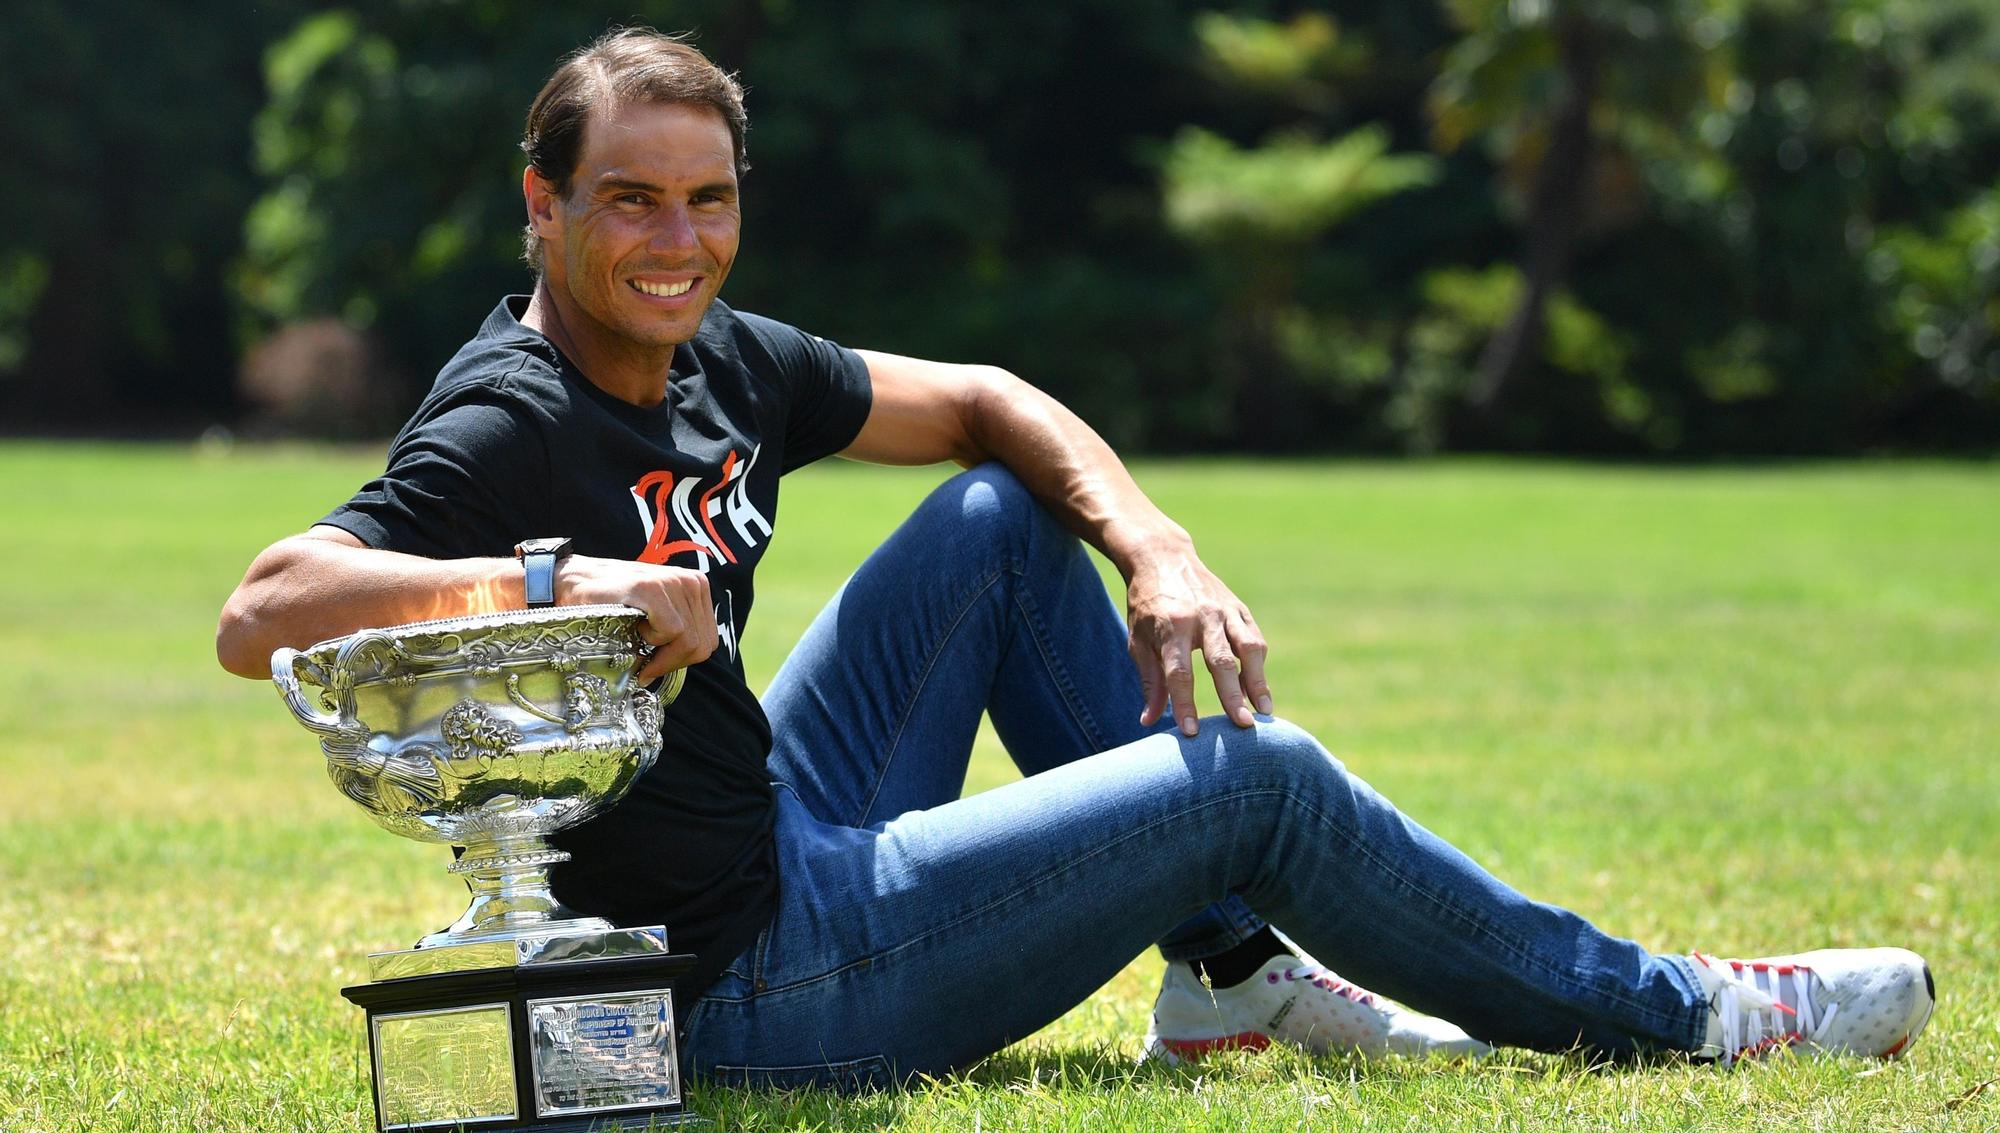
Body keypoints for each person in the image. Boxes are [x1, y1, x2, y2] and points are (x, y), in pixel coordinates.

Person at [217, 29, 1935, 1089]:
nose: (679, 241)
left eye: (708, 198)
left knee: (996, 515)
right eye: (631, 202)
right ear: (542, 202)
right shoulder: (505, 417)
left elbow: (980, 399)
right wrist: (571, 587)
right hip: (746, 980)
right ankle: (1685, 1010)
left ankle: (1225, 982)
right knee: (1255, 782)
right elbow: (265, 609)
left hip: (767, 822)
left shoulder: (721, 350)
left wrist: (1158, 543)